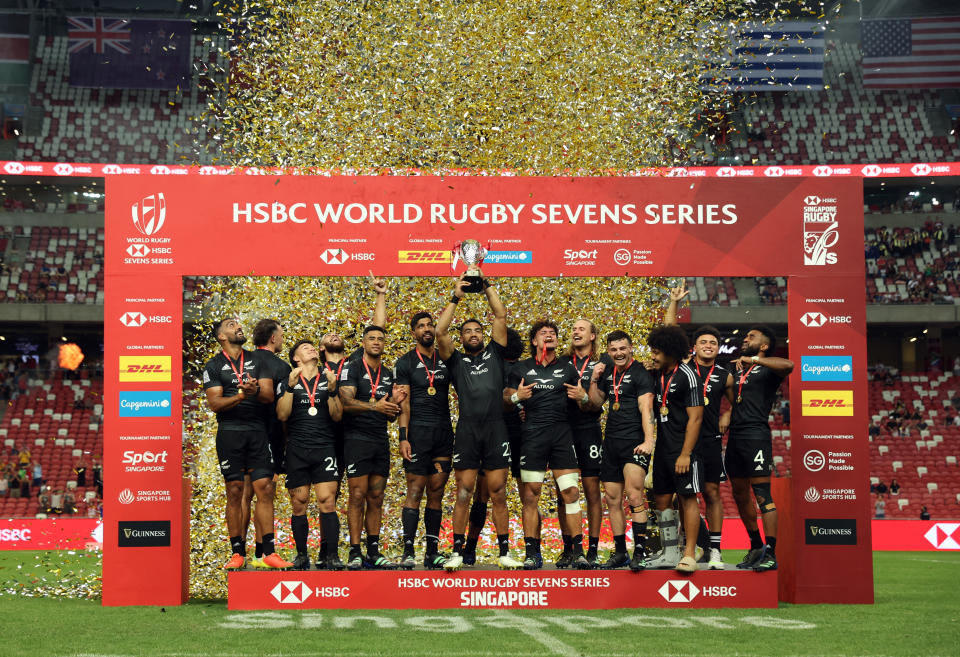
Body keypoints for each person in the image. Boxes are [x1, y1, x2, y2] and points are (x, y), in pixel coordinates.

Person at [437, 274, 523, 571]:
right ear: (461, 338)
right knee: (464, 491)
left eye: (477, 330)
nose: (473, 334)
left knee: (498, 491)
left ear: (484, 335)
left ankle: (504, 552)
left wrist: (486, 286)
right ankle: (457, 552)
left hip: (496, 428)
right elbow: (439, 331)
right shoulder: (455, 360)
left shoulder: (496, 353)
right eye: (467, 331)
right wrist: (455, 296)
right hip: (468, 431)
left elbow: (500, 314)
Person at [202, 317, 291, 570]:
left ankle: (269, 552)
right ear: (221, 336)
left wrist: (253, 392)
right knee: (234, 491)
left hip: (257, 430)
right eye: (231, 325)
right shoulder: (214, 365)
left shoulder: (258, 359)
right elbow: (215, 404)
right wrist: (242, 395)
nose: (238, 326)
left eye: (238, 324)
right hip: (230, 432)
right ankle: (237, 551)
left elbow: (267, 395)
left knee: (265, 488)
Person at [505, 320, 588, 570]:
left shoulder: (568, 369)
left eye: (552, 333)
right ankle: (532, 553)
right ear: (534, 341)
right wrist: (517, 398)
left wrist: (583, 398)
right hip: (532, 436)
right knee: (530, 496)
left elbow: (583, 404)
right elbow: (505, 400)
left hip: (562, 435)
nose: (548, 336)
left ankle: (578, 552)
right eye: (543, 333)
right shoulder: (521, 368)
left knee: (571, 492)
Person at [315, 277, 387, 563]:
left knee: (362, 493)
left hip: (357, 434)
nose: (333, 335)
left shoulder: (356, 362)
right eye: (326, 336)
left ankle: (362, 550)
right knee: (328, 496)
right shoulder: (315, 369)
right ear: (320, 347)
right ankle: (327, 551)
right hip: (327, 438)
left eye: (337, 334)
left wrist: (380, 296)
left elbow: (376, 329)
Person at [664, 282, 734, 569]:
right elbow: (669, 333)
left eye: (713, 343)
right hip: (682, 440)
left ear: (718, 348)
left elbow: (736, 404)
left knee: (712, 493)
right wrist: (674, 303)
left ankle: (715, 549)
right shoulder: (684, 367)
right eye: (704, 342)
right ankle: (694, 544)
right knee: (684, 494)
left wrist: (725, 420)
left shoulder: (725, 375)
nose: (708, 346)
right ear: (694, 347)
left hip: (709, 440)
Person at [338, 321, 406, 570]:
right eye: (372, 338)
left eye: (380, 339)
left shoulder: (388, 374)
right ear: (364, 343)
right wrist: (374, 406)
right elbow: (345, 402)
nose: (376, 342)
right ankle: (355, 551)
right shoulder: (352, 367)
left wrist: (395, 404)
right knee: (357, 495)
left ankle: (373, 551)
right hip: (356, 438)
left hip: (379, 438)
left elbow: (389, 414)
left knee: (376, 497)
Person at [726, 326, 794, 572]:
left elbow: (789, 365)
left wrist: (754, 359)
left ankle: (771, 552)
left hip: (756, 435)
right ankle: (756, 545)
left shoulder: (767, 369)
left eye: (751, 337)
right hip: (735, 436)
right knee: (739, 493)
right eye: (746, 336)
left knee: (762, 494)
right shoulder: (740, 370)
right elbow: (738, 401)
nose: (745, 339)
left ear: (763, 346)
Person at [587, 330, 655, 571]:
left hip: (634, 442)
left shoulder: (640, 373)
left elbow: (646, 408)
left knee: (634, 495)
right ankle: (620, 553)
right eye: (614, 349)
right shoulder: (607, 373)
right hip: (612, 442)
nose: (618, 353)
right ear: (608, 351)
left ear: (630, 348)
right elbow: (594, 403)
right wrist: (594, 379)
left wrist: (649, 441)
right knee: (612, 499)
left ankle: (640, 552)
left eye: (622, 348)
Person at [277, 339, 343, 570]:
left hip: (324, 446)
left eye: (313, 347)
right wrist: (289, 387)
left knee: (327, 501)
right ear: (295, 358)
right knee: (299, 502)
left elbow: (337, 416)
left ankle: (332, 556)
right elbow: (282, 415)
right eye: (305, 348)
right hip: (297, 448)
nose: (312, 349)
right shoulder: (289, 381)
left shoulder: (329, 378)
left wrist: (333, 391)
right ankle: (302, 555)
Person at [461, 327, 525, 565]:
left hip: (498, 431)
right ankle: (523, 551)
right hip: (510, 433)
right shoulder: (519, 367)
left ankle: (469, 548)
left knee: (482, 494)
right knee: (525, 494)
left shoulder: (497, 364)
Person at [395, 311, 454, 570]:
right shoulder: (405, 362)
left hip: (443, 433)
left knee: (436, 492)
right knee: (415, 490)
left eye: (430, 325)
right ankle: (408, 550)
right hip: (418, 433)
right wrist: (403, 437)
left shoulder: (448, 358)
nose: (427, 329)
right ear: (413, 332)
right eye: (421, 326)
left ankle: (432, 551)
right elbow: (404, 403)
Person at [644, 326, 704, 573]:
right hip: (663, 449)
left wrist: (685, 454)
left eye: (657, 352)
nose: (653, 356)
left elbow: (696, 419)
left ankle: (689, 554)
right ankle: (670, 552)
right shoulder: (658, 375)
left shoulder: (688, 376)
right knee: (661, 498)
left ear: (670, 352)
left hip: (684, 450)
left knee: (687, 498)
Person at [556, 319, 606, 568]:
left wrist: (584, 396)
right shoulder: (562, 363)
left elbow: (597, 404)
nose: (575, 331)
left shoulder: (602, 364)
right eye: (573, 328)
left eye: (581, 329)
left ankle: (594, 549)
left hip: (588, 431)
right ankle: (569, 548)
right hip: (563, 431)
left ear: (593, 336)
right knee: (562, 493)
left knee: (591, 491)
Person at [243, 318, 292, 568]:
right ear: (273, 338)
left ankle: (251, 552)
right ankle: (263, 553)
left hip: (242, 434)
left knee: (247, 494)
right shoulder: (281, 366)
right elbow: (282, 409)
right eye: (281, 335)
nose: (282, 340)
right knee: (265, 494)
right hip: (269, 435)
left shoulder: (244, 359)